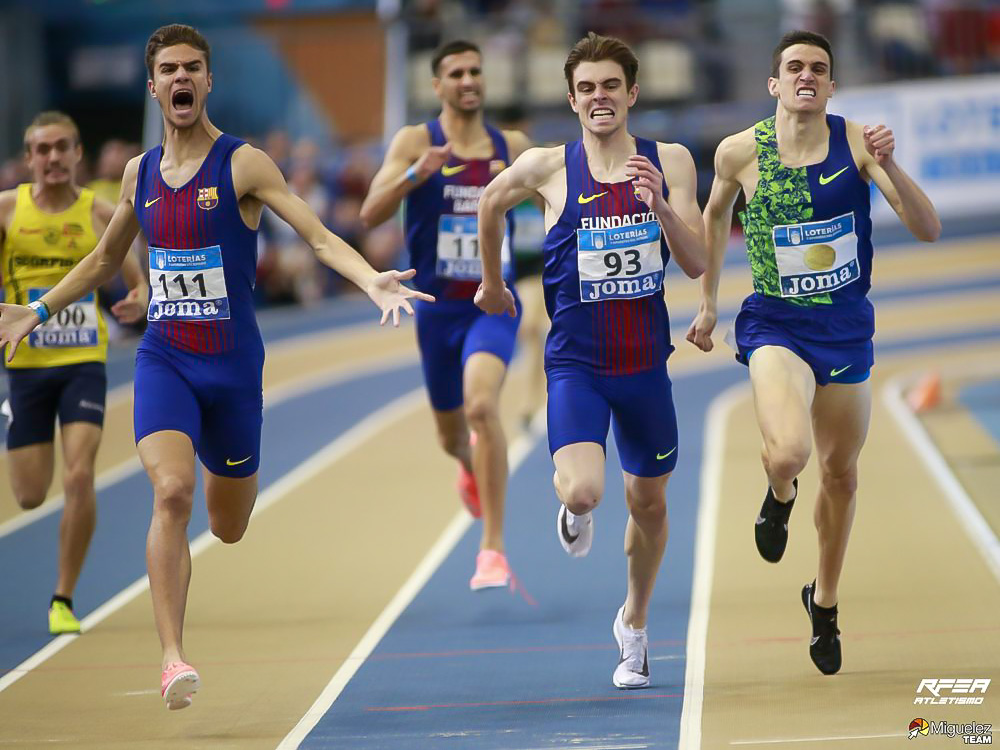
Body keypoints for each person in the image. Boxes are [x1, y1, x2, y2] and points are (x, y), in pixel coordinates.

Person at [0, 24, 430, 710]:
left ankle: (219, 503)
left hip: (232, 369)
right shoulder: (139, 174)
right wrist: (39, 309)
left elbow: (315, 235)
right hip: (165, 358)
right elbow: (106, 261)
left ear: (207, 82)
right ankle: (172, 657)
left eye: (193, 68)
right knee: (171, 492)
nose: (181, 78)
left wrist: (370, 275)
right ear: (153, 84)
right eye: (168, 69)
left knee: (228, 524)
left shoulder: (244, 164)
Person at [687, 30, 940, 675]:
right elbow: (716, 217)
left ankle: (823, 603)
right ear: (774, 83)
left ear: (830, 86)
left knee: (842, 473)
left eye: (819, 69)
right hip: (776, 325)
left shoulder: (855, 142)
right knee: (793, 453)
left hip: (847, 328)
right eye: (794, 67)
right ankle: (779, 493)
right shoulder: (740, 152)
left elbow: (926, 227)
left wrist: (893, 163)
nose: (806, 76)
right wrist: (711, 302)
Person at [475, 32, 706, 688]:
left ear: (631, 93)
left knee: (649, 507)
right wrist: (493, 284)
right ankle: (572, 508)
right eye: (587, 88)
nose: (599, 97)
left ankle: (633, 623)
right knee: (585, 488)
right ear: (571, 99)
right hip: (576, 366)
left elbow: (696, 264)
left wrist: (659, 204)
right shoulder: (548, 169)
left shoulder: (673, 162)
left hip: (644, 369)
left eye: (611, 86)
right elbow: (490, 204)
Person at [360, 40, 532, 591]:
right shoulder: (417, 140)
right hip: (436, 311)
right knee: (452, 436)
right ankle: (467, 463)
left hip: (492, 302)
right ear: (437, 86)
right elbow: (369, 214)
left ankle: (493, 549)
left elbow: (565, 199)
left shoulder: (513, 145)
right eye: (456, 72)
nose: (468, 80)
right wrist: (417, 173)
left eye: (475, 70)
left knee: (483, 406)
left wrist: (523, 184)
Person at [0, 111, 148, 635]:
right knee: (30, 496)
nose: (54, 158)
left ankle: (62, 597)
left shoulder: (98, 212)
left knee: (80, 473)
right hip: (26, 369)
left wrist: (138, 297)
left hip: (83, 361)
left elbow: (138, 272)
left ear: (78, 154)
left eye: (63, 147)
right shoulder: (7, 211)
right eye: (43, 149)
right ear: (29, 158)